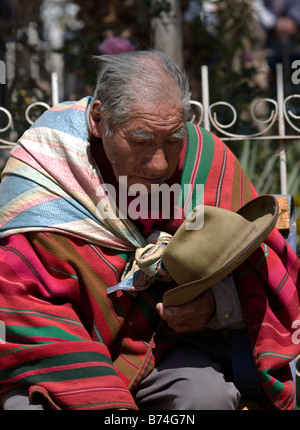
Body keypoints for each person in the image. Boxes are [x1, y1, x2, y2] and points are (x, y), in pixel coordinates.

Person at [0, 50, 299, 410]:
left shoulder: (204, 163)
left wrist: (217, 306)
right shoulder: (44, 174)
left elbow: (267, 276)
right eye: (141, 140)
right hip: (57, 353)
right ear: (99, 120)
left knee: (207, 398)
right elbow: (21, 305)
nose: (159, 163)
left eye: (172, 139)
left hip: (161, 350)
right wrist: (104, 397)